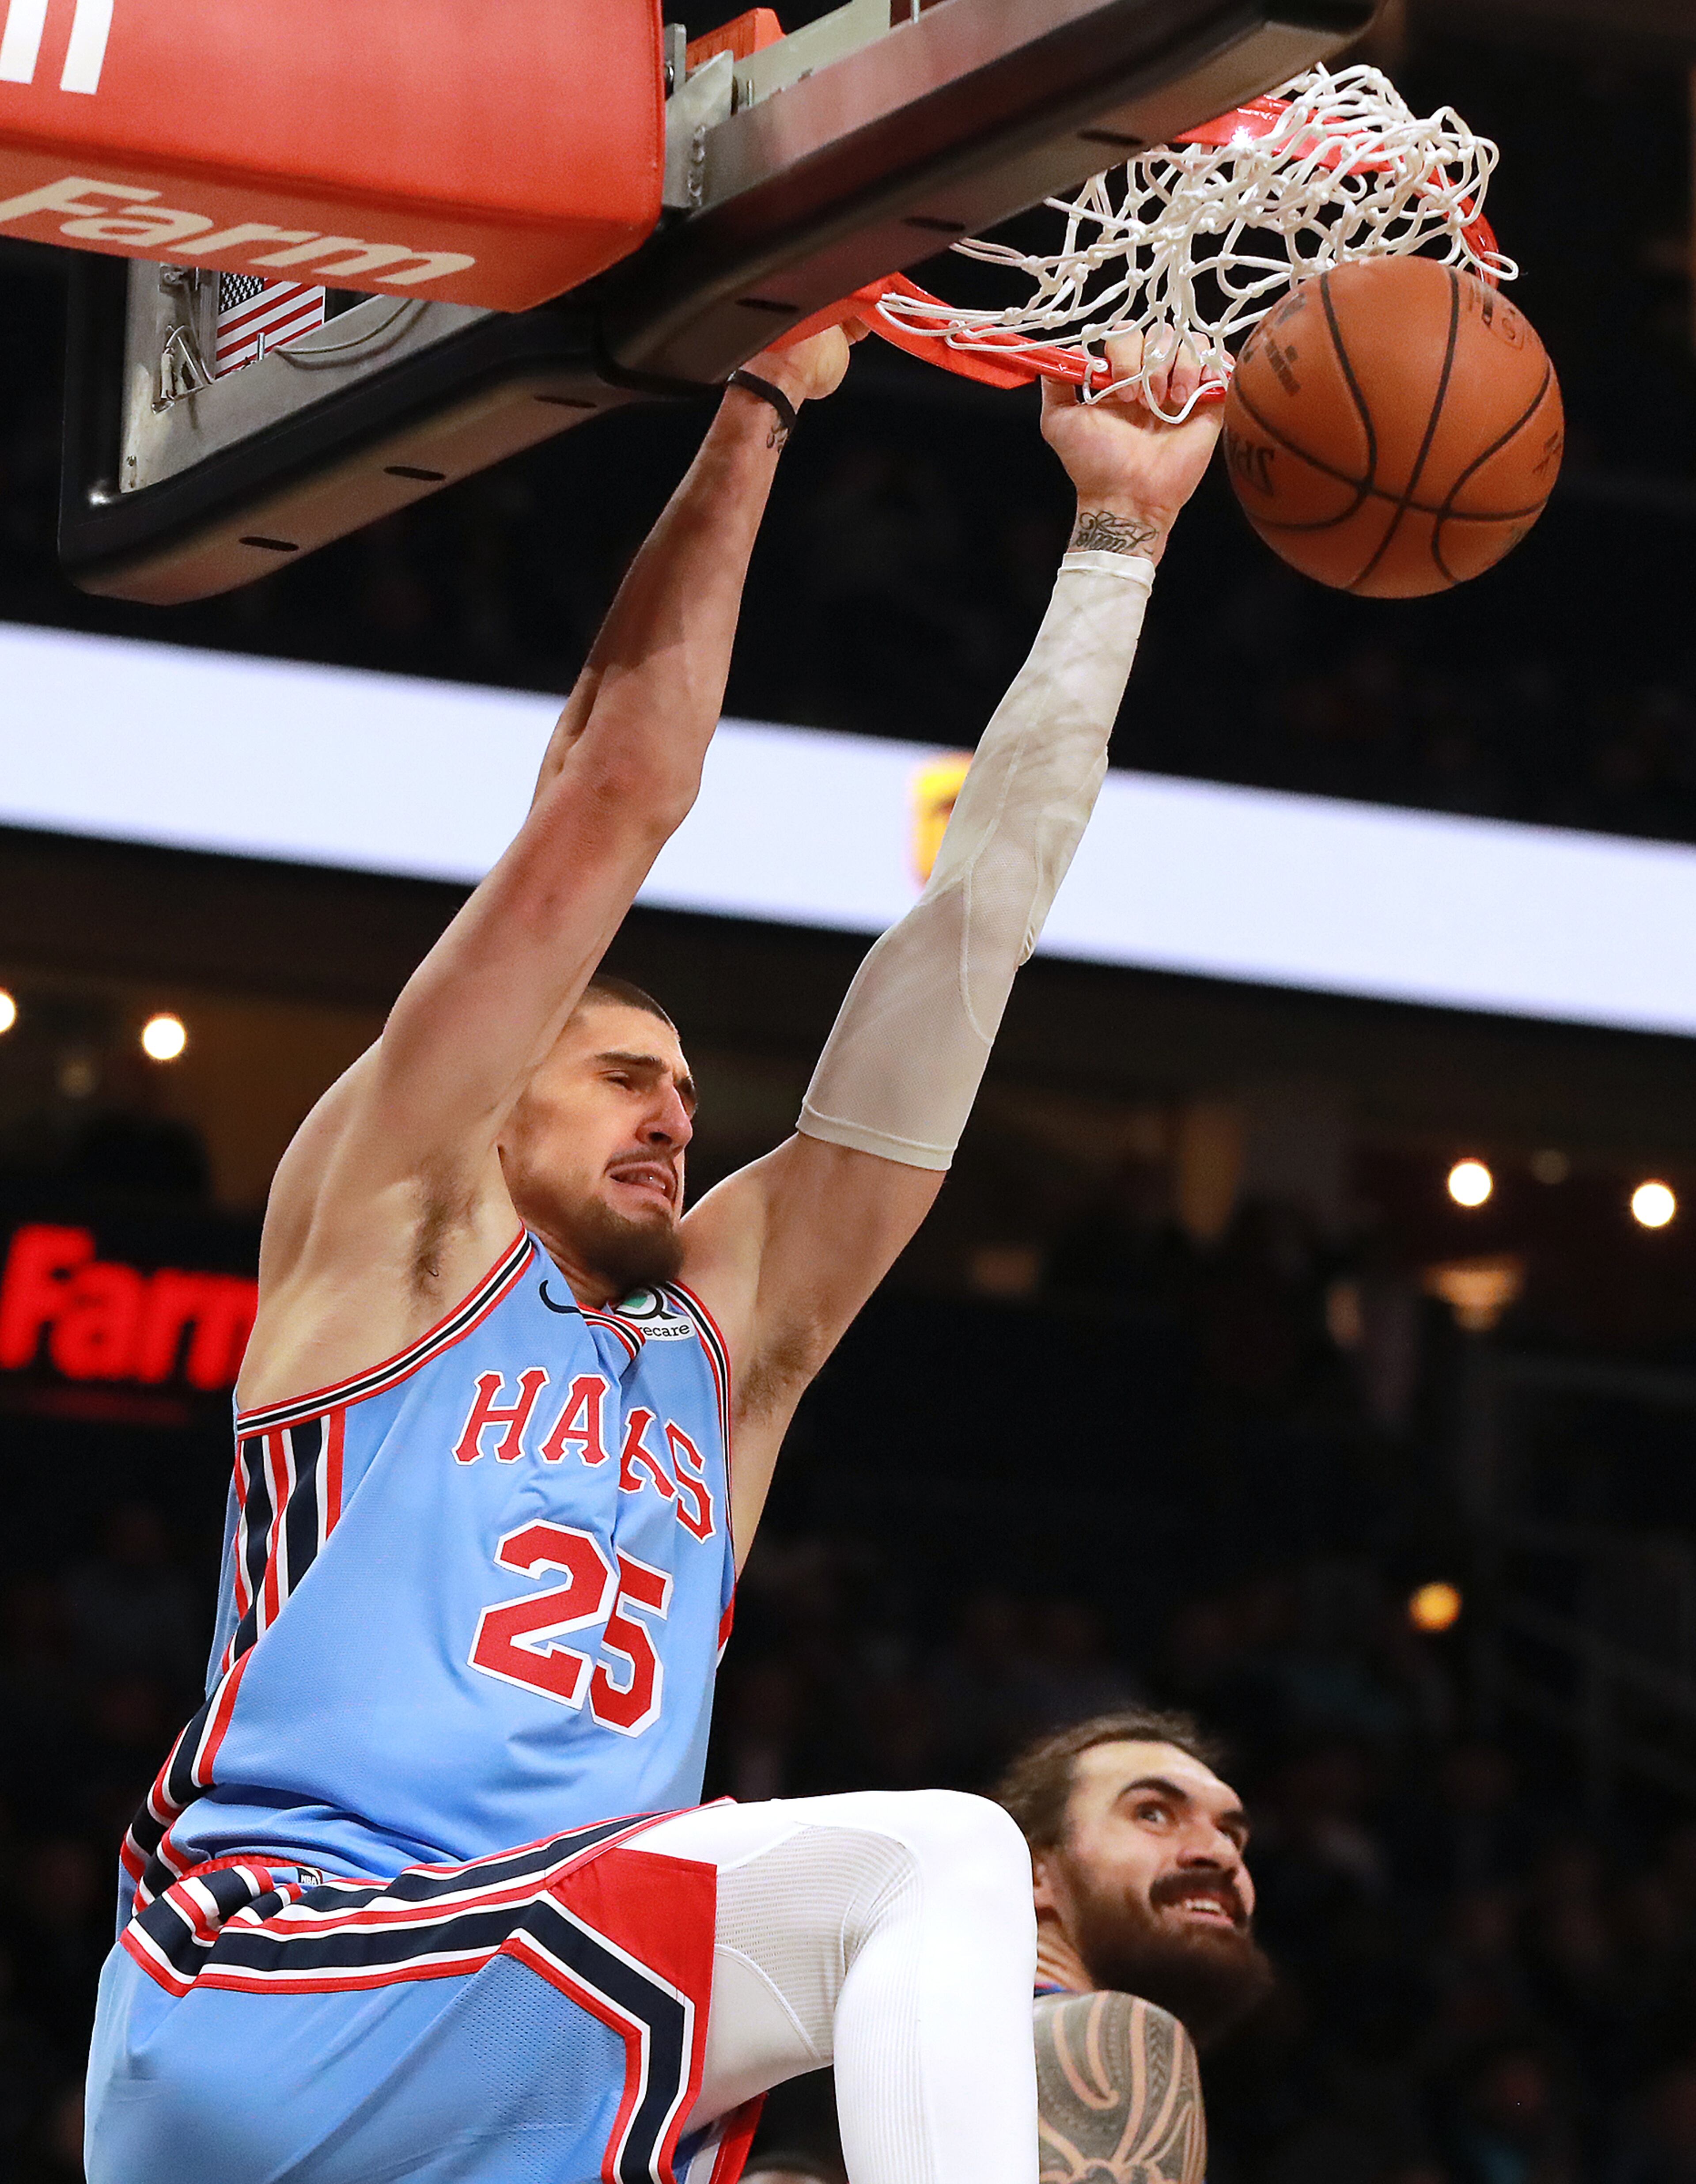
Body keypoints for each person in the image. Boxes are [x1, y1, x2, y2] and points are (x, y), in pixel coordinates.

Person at [86, 323, 1222, 2184]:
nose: (674, 1112)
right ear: (494, 1096)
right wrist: (762, 402)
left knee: (1056, 2052)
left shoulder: (722, 1352)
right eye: (623, 1069)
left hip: (518, 2041)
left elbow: (973, 934)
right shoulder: (392, 1229)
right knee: (936, 1860)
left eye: (689, 1089)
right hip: (293, 1979)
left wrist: (1116, 542)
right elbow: (615, 790)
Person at [996, 1707, 1276, 2184]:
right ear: (1033, 1871)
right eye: (1153, 1814)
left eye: (1232, 1834)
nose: (1222, 1854)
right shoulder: (1112, 2033)